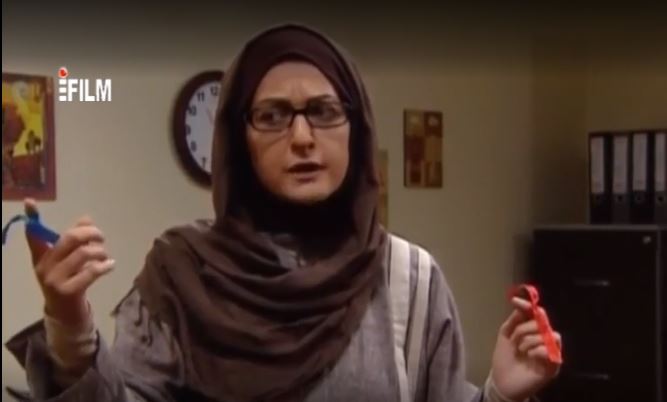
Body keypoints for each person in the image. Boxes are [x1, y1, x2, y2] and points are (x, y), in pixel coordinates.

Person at [5, 24, 561, 402]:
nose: (301, 137)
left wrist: (501, 393)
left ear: (357, 129)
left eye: (323, 111)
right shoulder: (185, 272)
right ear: (238, 138)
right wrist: (69, 327)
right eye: (272, 116)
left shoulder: (410, 280)